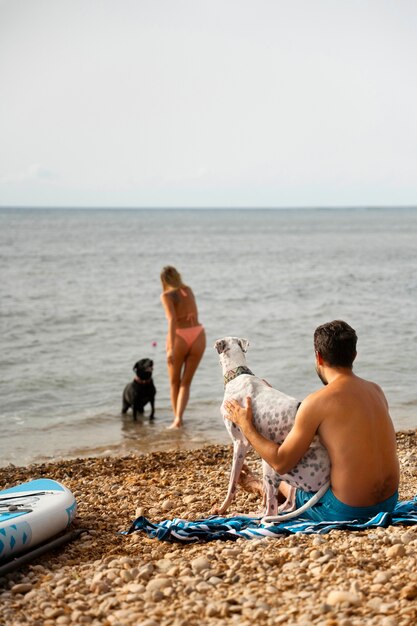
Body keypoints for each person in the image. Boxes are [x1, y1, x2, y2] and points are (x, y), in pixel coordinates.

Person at [225, 320, 400, 521]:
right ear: (354, 355)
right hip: (389, 502)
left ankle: (258, 485)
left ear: (318, 357)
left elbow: (280, 463)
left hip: (346, 509)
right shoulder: (376, 390)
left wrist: (247, 426)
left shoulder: (317, 402)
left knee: (287, 482)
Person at [160, 266, 206, 429]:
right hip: (198, 334)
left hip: (179, 336)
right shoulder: (188, 290)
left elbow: (172, 320)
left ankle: (177, 420)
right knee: (186, 382)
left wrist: (171, 347)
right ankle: (179, 417)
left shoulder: (166, 296)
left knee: (174, 382)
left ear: (163, 281)